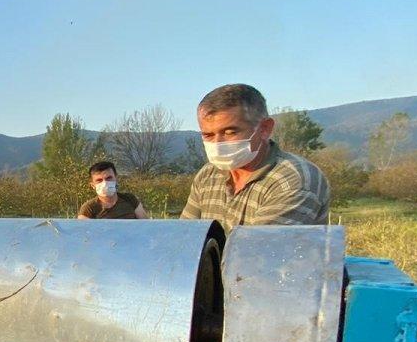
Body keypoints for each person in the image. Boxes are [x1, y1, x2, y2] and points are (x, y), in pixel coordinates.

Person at [180, 84, 329, 232]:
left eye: (230, 132)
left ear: (264, 129)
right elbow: (185, 236)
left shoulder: (293, 181)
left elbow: (257, 251)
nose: (218, 143)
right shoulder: (208, 175)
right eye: (208, 135)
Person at [77, 161, 148, 219]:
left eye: (109, 178)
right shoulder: (88, 209)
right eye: (99, 180)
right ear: (92, 185)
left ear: (116, 179)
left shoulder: (130, 199)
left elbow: (146, 226)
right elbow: (83, 233)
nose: (105, 183)